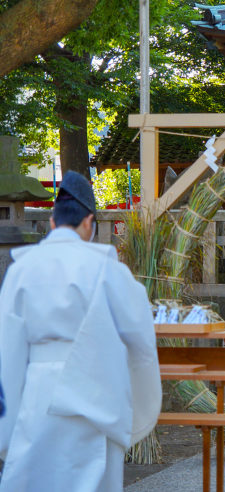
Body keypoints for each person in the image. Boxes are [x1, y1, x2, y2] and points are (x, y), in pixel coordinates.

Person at [0, 171, 162, 492]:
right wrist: (135, 402)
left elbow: (8, 349)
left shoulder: (21, 270)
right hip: (97, 396)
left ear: (51, 221)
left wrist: (7, 423)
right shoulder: (110, 271)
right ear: (89, 222)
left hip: (37, 396)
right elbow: (141, 341)